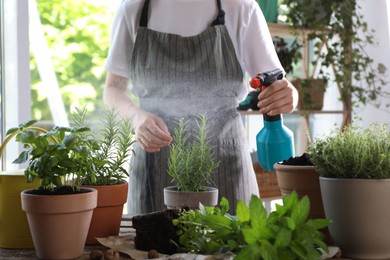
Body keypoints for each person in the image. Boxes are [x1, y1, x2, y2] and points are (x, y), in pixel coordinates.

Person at [103, 0, 298, 215]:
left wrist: (289, 96)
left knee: (234, 246)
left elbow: (277, 84)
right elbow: (113, 90)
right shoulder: (133, 8)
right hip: (154, 162)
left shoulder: (240, 6)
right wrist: (136, 118)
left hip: (226, 164)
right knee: (150, 248)